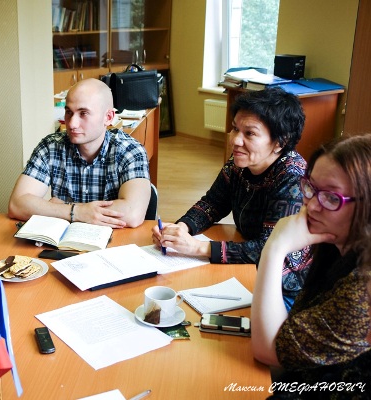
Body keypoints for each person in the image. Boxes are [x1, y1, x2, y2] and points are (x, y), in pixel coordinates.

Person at [152, 87, 311, 310]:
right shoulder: (241, 162)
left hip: (284, 285)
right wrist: (181, 228)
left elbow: (268, 248)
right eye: (235, 128)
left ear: (280, 142)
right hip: (249, 264)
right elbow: (213, 202)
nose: (235, 140)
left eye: (250, 134)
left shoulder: (293, 178)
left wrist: (198, 248)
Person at [251, 135, 371, 398]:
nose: (312, 205)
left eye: (331, 197)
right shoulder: (336, 248)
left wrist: (275, 248)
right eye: (311, 188)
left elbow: (269, 350)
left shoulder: (362, 290)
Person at [8, 78, 151, 228]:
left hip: (114, 239)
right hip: (63, 240)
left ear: (108, 117)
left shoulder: (130, 151)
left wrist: (60, 207)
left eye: (83, 113)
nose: (71, 124)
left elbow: (133, 214)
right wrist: (76, 211)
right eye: (69, 112)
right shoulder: (50, 147)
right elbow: (17, 204)